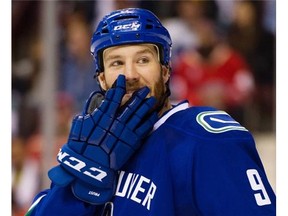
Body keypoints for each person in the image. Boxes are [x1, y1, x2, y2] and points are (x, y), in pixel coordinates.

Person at [25, 8, 276, 216]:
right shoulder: (93, 144)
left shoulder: (207, 140)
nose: (131, 74)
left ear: (165, 71)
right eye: (117, 63)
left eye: (143, 60)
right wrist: (80, 180)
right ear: (101, 79)